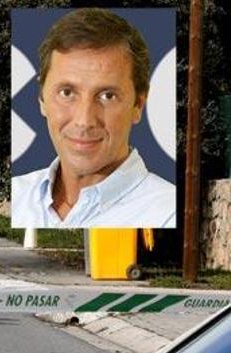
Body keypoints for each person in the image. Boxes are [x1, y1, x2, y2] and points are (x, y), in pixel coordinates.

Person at [11, 8, 175, 228]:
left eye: (107, 96)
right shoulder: (18, 195)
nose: (84, 121)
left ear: (138, 105)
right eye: (67, 93)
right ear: (41, 99)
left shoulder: (167, 213)